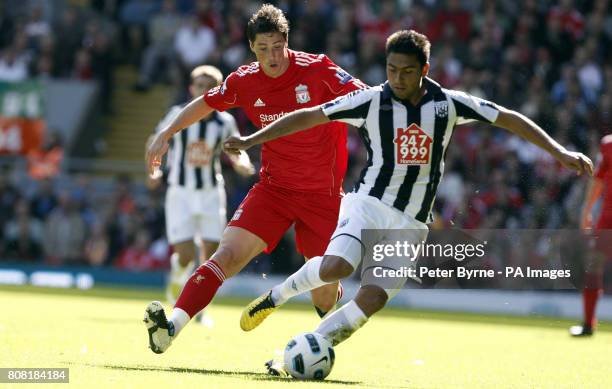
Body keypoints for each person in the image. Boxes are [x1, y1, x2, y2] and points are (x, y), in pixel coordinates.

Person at [224, 29, 593, 371]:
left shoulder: (448, 104)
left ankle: (301, 352)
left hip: (413, 222)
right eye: (391, 69)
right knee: (337, 266)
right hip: (368, 202)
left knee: (372, 300)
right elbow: (310, 116)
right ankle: (276, 295)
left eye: (406, 71)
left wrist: (559, 152)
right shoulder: (370, 100)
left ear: (425, 69)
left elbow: (507, 118)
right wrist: (250, 140)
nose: (397, 78)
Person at [143, 4, 365, 354]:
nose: (272, 56)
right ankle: (171, 327)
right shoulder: (245, 81)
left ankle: (318, 340)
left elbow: (366, 99)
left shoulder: (319, 70)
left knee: (323, 291)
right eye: (263, 49)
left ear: (287, 42)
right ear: (251, 47)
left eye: (277, 47)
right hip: (273, 190)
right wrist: (168, 131)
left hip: (323, 196)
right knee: (226, 255)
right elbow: (206, 102)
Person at [146, 65, 254, 309]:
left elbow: (236, 150)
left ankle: (198, 308)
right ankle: (177, 277)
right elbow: (154, 141)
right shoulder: (177, 114)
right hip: (180, 192)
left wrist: (242, 163)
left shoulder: (224, 121)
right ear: (191, 87)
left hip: (210, 192)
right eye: (199, 85)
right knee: (184, 255)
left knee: (212, 254)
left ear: (217, 90)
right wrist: (154, 171)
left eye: (209, 86)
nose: (203, 90)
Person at [572, 134, 612, 336]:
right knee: (593, 266)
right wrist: (587, 210)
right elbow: (598, 181)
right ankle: (588, 323)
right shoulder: (608, 145)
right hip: (608, 219)